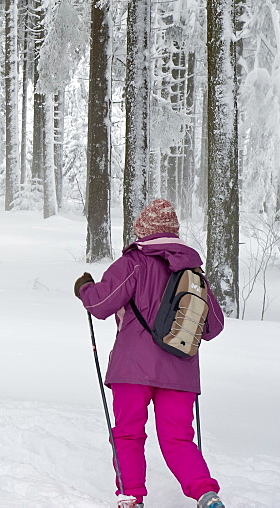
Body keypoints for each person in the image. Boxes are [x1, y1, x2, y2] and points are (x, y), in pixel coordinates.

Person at [75, 199, 226, 508]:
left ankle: (131, 496)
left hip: (133, 368)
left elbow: (101, 306)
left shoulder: (134, 263)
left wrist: (84, 289)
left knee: (128, 434)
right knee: (178, 439)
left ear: (142, 230)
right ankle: (206, 495)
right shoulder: (193, 271)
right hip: (181, 370)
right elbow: (214, 326)